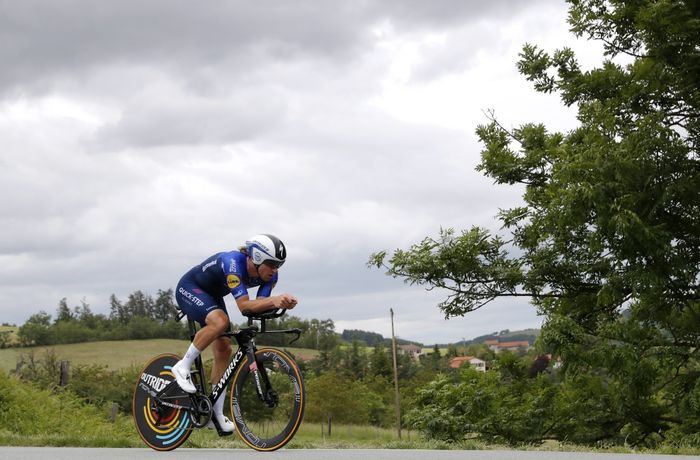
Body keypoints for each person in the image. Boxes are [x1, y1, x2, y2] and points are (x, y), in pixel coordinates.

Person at [171, 234, 298, 433]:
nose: (275, 270)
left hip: (211, 295)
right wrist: (275, 300)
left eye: (279, 265)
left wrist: (281, 304)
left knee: (224, 349)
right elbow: (244, 306)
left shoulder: (270, 275)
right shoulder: (232, 263)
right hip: (190, 288)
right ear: (256, 257)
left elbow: (256, 306)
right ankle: (182, 366)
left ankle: (215, 414)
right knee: (220, 322)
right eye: (272, 264)